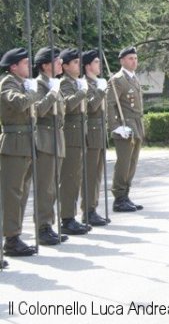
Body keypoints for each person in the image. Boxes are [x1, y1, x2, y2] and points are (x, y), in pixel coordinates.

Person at [0, 48, 38, 257]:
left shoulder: (22, 84)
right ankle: (11, 239)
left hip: (25, 143)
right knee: (12, 194)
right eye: (24, 63)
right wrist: (32, 92)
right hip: (14, 144)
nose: (28, 66)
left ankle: (15, 235)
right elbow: (18, 103)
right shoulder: (8, 83)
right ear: (13, 66)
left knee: (21, 193)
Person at [33, 47, 69, 245]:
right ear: (45, 65)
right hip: (45, 138)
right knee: (45, 187)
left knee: (53, 186)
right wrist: (53, 93)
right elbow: (38, 110)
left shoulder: (53, 83)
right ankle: (42, 227)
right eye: (56, 62)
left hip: (57, 137)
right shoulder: (39, 84)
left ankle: (48, 224)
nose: (60, 64)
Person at [107, 46, 144, 212]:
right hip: (125, 125)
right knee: (123, 162)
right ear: (122, 61)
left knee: (132, 162)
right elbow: (110, 104)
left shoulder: (134, 78)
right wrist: (115, 127)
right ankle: (119, 197)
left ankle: (126, 195)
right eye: (130, 58)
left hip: (136, 125)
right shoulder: (117, 80)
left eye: (135, 58)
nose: (134, 61)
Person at [58, 48, 90, 235]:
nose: (79, 65)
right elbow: (69, 106)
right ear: (66, 66)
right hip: (70, 136)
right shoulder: (65, 83)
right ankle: (66, 218)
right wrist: (82, 92)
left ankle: (71, 215)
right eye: (76, 62)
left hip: (79, 135)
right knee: (69, 178)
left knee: (76, 177)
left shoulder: (76, 82)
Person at [81, 50, 109, 226]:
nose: (99, 65)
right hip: (90, 133)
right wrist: (100, 91)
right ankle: (87, 211)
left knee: (97, 175)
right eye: (96, 62)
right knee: (90, 174)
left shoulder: (97, 82)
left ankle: (93, 208)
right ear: (88, 66)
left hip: (99, 132)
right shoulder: (85, 84)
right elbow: (90, 106)